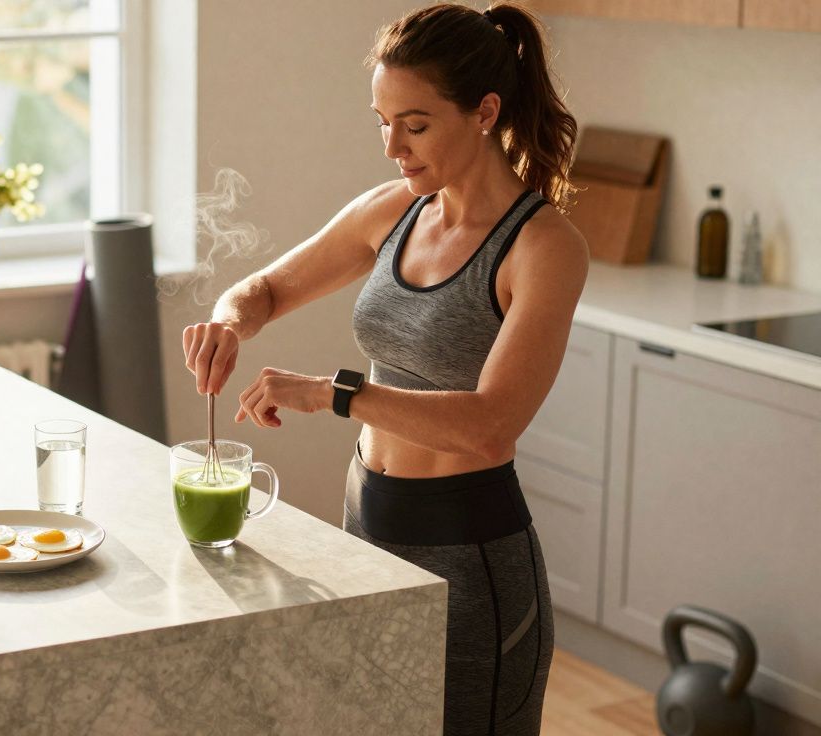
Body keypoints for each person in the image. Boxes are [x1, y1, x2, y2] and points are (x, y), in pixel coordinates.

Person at [180, 3, 587, 734]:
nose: (393, 146)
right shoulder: (394, 210)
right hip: (365, 524)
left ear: (485, 112)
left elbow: (491, 426)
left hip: (469, 554)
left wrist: (331, 393)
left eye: (416, 125)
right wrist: (230, 322)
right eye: (383, 121)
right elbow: (265, 289)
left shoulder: (542, 247)